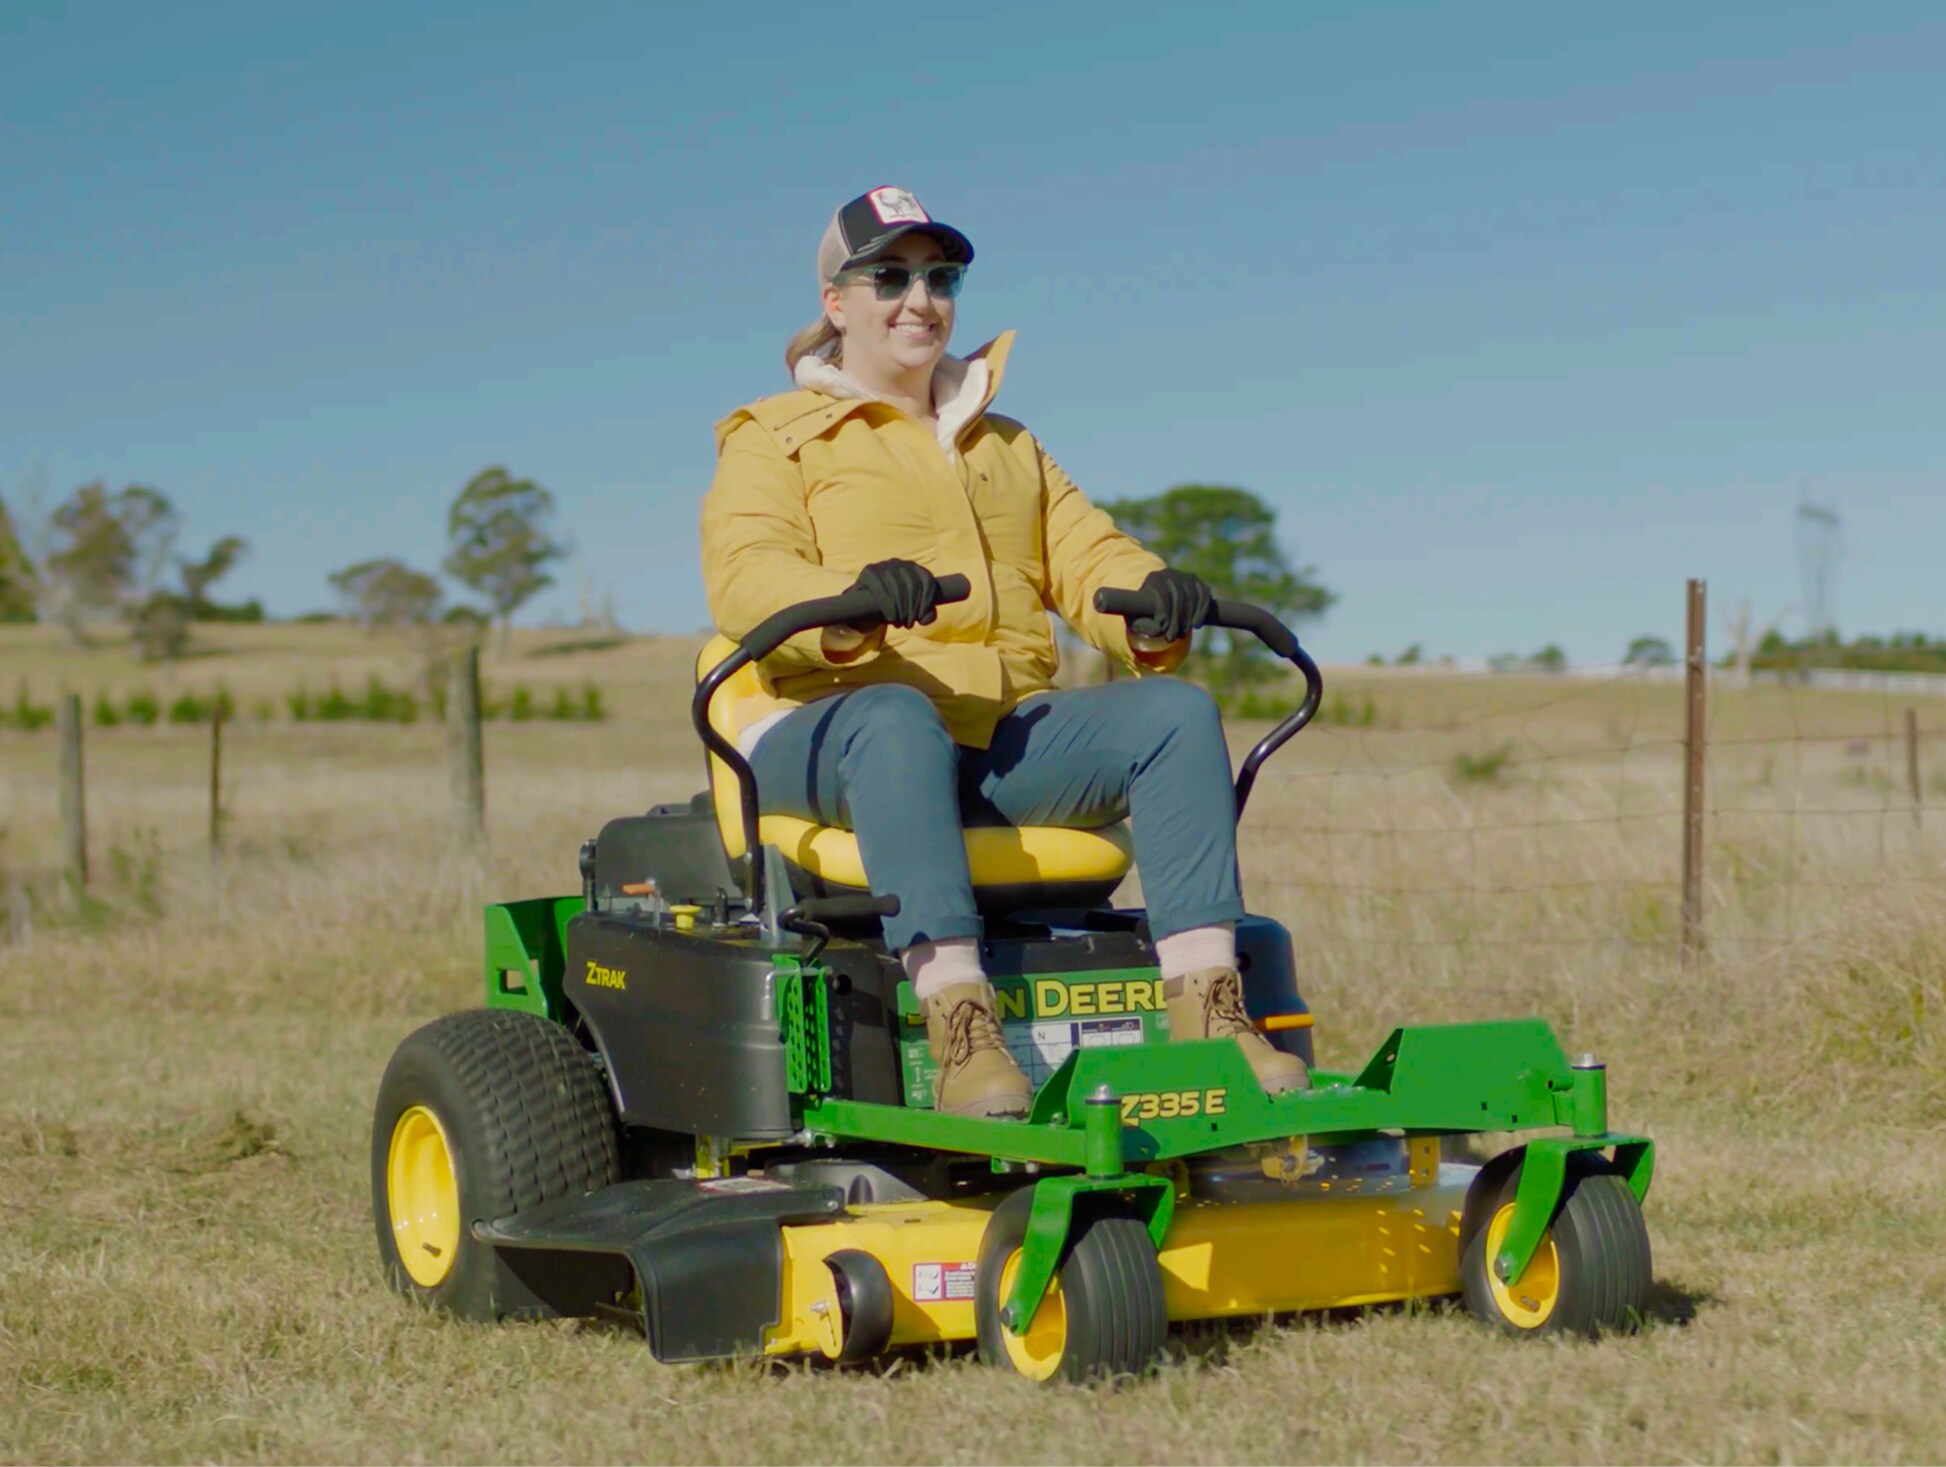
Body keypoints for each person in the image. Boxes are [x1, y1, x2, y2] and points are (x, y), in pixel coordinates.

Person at [700, 186, 1306, 1118]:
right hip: (828, 733)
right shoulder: (773, 438)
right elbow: (745, 576)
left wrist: (1151, 601)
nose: (920, 298)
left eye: (941, 277)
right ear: (835, 302)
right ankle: (959, 1028)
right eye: (890, 276)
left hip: (989, 742)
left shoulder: (1008, 446)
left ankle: (1210, 1015)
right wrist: (849, 607)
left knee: (1176, 714)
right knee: (897, 720)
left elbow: (1089, 553)